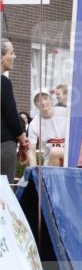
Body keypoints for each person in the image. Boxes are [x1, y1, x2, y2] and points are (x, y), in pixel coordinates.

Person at [1, 39, 30, 179]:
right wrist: (23, 141)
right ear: (1, 57)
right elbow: (11, 115)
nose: (14, 56)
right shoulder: (4, 82)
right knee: (4, 191)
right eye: (11, 53)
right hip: (4, 145)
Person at [28, 91, 67, 162]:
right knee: (54, 152)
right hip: (49, 159)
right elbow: (31, 151)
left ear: (51, 100)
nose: (43, 102)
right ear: (36, 105)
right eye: (39, 101)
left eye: (45, 98)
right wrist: (34, 170)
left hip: (68, 155)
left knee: (55, 152)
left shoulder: (65, 112)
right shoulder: (34, 124)